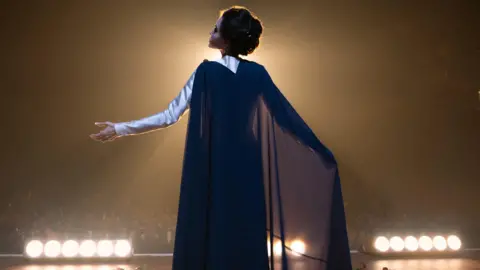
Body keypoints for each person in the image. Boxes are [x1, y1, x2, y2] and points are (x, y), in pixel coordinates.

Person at [90, 6, 352, 270]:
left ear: (226, 39)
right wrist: (320, 151)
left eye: (215, 28)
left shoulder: (206, 73)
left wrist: (120, 128)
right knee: (245, 231)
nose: (210, 31)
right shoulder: (257, 73)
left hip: (215, 160)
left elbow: (169, 116)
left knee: (215, 229)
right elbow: (288, 118)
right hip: (248, 162)